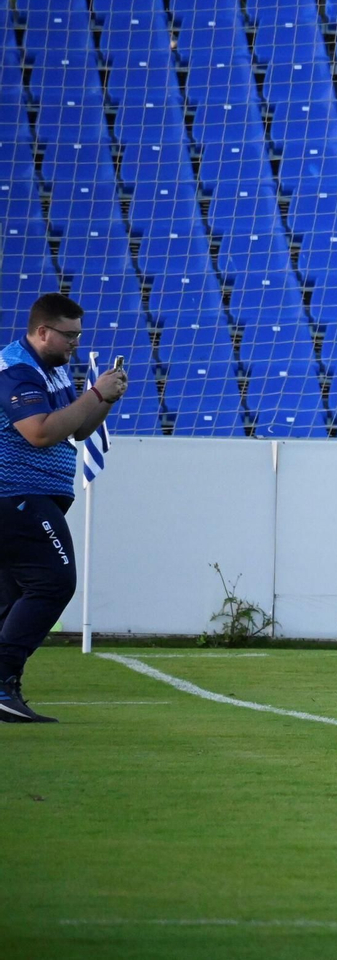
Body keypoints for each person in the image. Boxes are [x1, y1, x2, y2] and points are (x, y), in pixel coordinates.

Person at [0, 294, 128, 724]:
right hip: (16, 495)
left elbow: (79, 428)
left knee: (12, 594)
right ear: (42, 331)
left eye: (78, 335)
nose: (75, 342)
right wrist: (94, 392)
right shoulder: (17, 370)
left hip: (31, 496)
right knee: (54, 581)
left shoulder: (51, 372)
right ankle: (1, 683)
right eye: (68, 335)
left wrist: (104, 398)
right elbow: (39, 433)